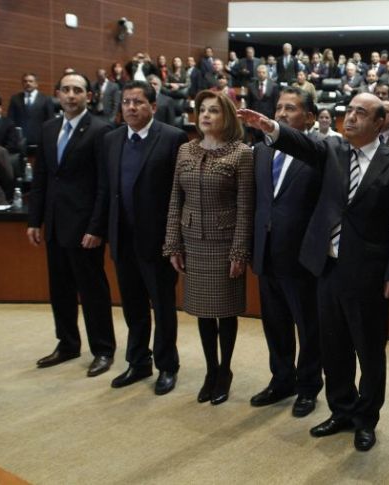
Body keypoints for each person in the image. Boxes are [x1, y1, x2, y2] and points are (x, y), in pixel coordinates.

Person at [239, 93, 389, 452]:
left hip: (369, 273)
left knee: (368, 352)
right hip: (327, 267)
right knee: (333, 345)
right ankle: (342, 409)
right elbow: (301, 143)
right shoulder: (332, 151)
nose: (350, 118)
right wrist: (271, 127)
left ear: (379, 122)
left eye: (360, 113)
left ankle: (366, 420)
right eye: (348, 111)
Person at [163, 90, 254, 405]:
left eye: (213, 110)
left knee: (225, 312)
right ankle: (210, 370)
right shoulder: (185, 150)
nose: (205, 115)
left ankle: (225, 370)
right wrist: (173, 242)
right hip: (193, 243)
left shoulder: (241, 153)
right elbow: (175, 198)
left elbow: (245, 207)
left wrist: (240, 252)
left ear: (226, 116)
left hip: (225, 243)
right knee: (202, 312)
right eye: (202, 110)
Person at [27, 73, 117, 378]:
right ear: (57, 94)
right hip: (53, 224)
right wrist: (34, 220)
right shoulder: (49, 128)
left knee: (93, 291)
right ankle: (67, 344)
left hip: (84, 229)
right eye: (65, 89)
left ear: (88, 97)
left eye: (77, 90)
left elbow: (105, 186)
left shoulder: (101, 130)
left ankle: (103, 349)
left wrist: (96, 227)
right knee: (60, 289)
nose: (71, 95)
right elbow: (41, 179)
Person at [103, 80, 188, 393]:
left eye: (138, 102)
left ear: (153, 106)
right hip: (122, 239)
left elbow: (179, 194)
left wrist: (175, 240)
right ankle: (138, 363)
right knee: (133, 306)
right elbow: (105, 190)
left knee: (163, 307)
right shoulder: (111, 140)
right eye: (126, 102)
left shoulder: (172, 137)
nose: (131, 107)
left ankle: (167, 366)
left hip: (158, 241)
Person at [249, 87, 323, 417]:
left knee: (308, 326)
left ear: (309, 117)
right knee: (274, 323)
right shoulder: (261, 152)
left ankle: (308, 387)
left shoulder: (320, 150)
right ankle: (282, 379)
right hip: (266, 252)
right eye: (278, 107)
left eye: (290, 108)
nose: (280, 113)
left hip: (301, 257)